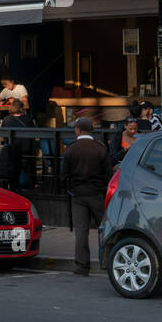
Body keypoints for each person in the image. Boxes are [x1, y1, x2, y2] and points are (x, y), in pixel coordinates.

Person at [61, 116, 112, 276]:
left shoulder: (71, 149)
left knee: (81, 232)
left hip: (78, 195)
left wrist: (71, 189)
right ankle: (110, 263)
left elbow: (63, 176)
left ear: (78, 130)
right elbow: (108, 174)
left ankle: (82, 267)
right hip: (97, 194)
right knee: (105, 230)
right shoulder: (100, 148)